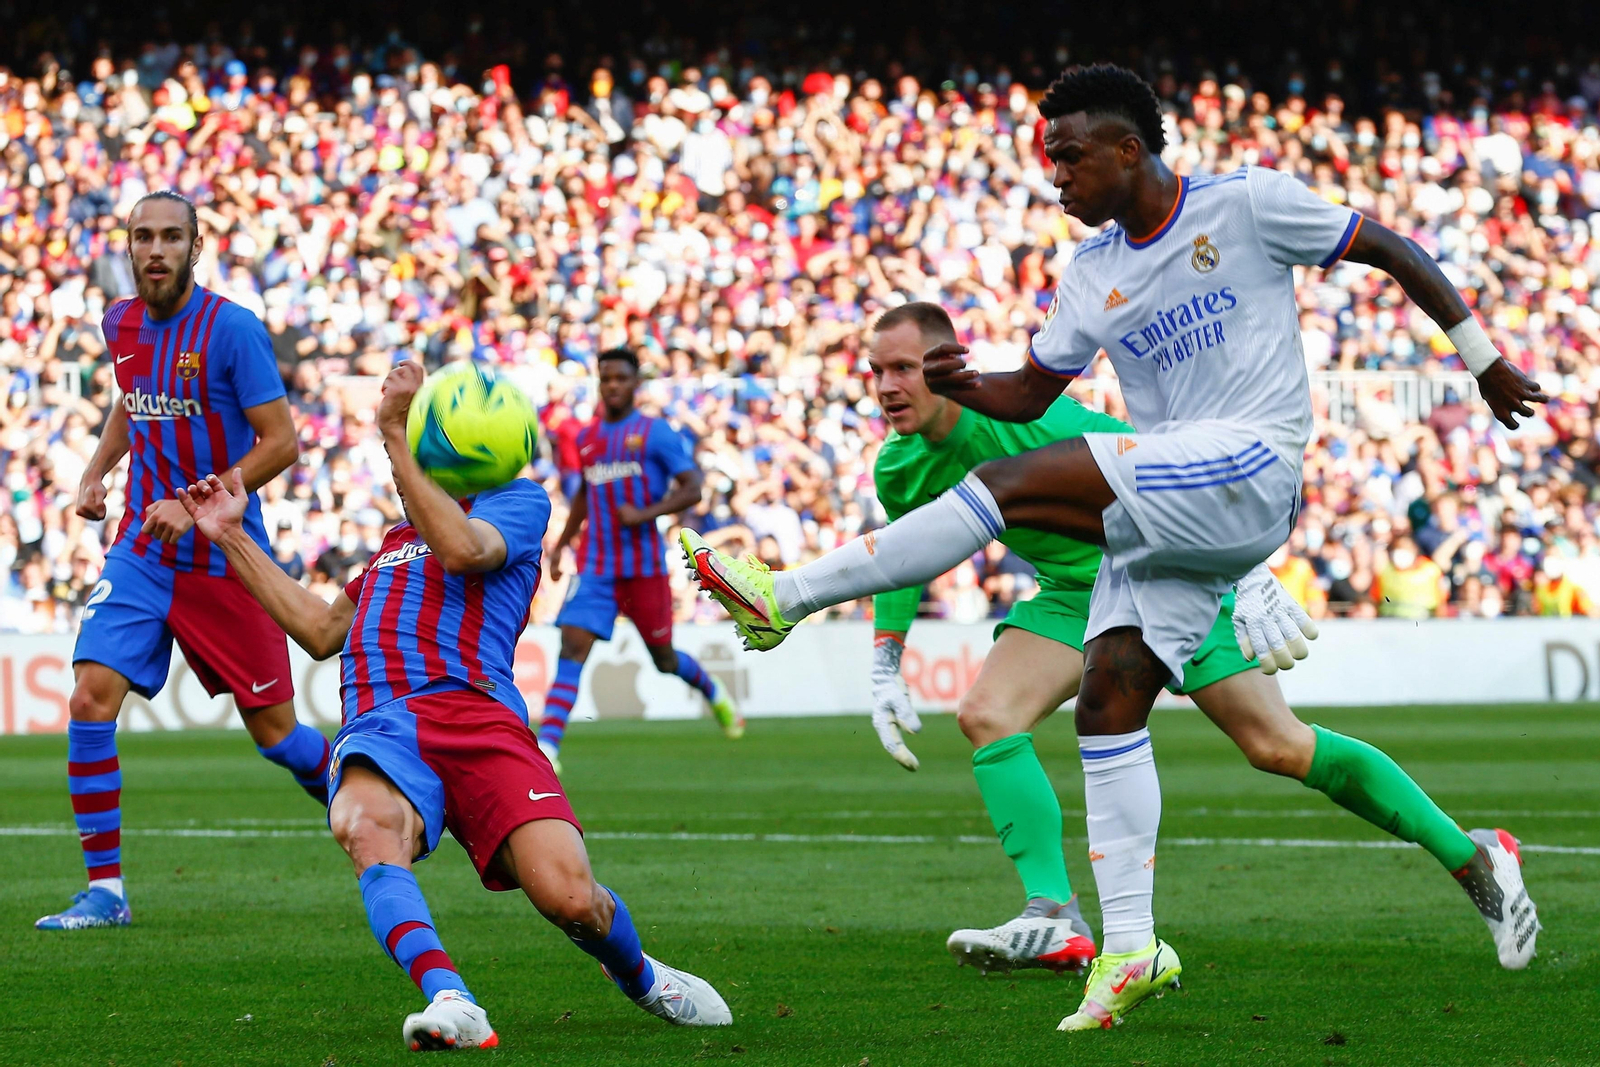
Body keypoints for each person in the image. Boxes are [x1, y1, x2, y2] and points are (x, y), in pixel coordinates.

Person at [683, 64, 1546, 1031]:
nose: (1055, 175)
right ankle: (1139, 944)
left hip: (1251, 465)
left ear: (1128, 148)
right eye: (1048, 158)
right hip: (1168, 506)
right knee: (1113, 698)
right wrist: (966, 383)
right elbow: (1025, 398)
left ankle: (788, 595)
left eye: (1069, 155)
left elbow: (1385, 244)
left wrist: (1482, 359)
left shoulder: (1247, 205)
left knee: (1014, 487)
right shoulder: (1090, 270)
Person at [853, 302, 1543, 983]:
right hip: (1074, 593)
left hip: (1170, 567)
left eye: (904, 368)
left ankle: (1475, 855)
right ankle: (1056, 912)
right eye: (876, 370)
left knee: (1278, 745)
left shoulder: (1036, 417)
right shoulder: (899, 465)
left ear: (946, 365)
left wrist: (1243, 568)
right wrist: (886, 660)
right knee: (986, 713)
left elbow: (1160, 467)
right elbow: (903, 553)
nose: (887, 386)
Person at [176, 361, 732, 1051]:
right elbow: (321, 631)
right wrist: (230, 534)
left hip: (478, 714)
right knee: (363, 819)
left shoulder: (521, 503)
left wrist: (392, 436)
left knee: (571, 899)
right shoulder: (392, 545)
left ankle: (643, 975)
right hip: (385, 720)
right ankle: (451, 995)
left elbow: (467, 551)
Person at [37, 191, 325, 932]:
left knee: (281, 739)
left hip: (225, 556)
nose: (155, 249)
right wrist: (98, 470)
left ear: (195, 246)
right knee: (90, 695)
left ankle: (374, 796)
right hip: (143, 545)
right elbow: (133, 403)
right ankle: (106, 890)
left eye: (171, 237)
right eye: (143, 237)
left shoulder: (232, 329)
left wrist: (201, 501)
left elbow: (281, 442)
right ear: (127, 246)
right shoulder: (120, 323)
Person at [540, 347, 743, 773]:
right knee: (573, 645)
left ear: (636, 384)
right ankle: (548, 748)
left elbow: (693, 488)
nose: (612, 385)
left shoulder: (656, 434)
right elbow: (584, 493)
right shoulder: (588, 437)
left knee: (664, 658)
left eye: (620, 378)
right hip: (596, 565)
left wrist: (646, 513)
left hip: (644, 567)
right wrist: (561, 544)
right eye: (605, 378)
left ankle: (714, 693)